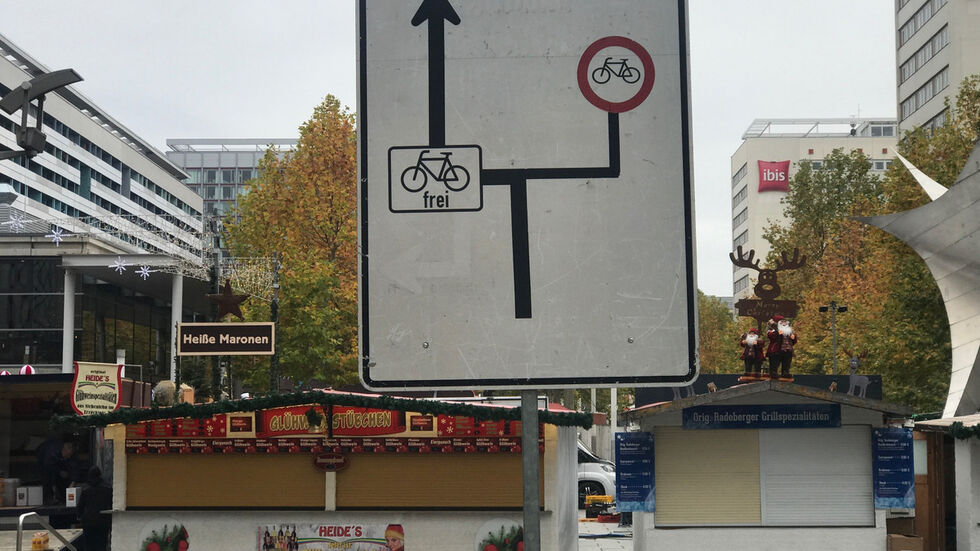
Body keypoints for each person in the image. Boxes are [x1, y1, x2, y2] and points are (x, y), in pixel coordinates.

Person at [77, 466, 112, 551]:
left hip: (89, 521)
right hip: (103, 520)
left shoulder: (86, 489)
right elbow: (111, 504)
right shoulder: (108, 488)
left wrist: (80, 517)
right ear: (100, 475)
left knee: (89, 545)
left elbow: (80, 506)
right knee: (101, 544)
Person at [37, 436, 73, 505]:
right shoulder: (51, 453)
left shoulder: (60, 451)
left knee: (60, 475)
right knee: (47, 478)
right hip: (43, 458)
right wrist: (59, 472)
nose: (69, 457)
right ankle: (48, 499)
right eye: (68, 455)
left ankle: (62, 497)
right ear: (64, 451)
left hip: (51, 458)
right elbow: (48, 467)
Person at [766, 315, 798, 380]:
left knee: (786, 362)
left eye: (785, 321)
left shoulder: (789, 331)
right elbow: (771, 337)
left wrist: (794, 338)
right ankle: (773, 372)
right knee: (774, 362)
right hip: (776, 350)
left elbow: (793, 341)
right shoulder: (772, 331)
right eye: (782, 322)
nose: (784, 323)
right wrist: (777, 332)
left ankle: (785, 372)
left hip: (787, 350)